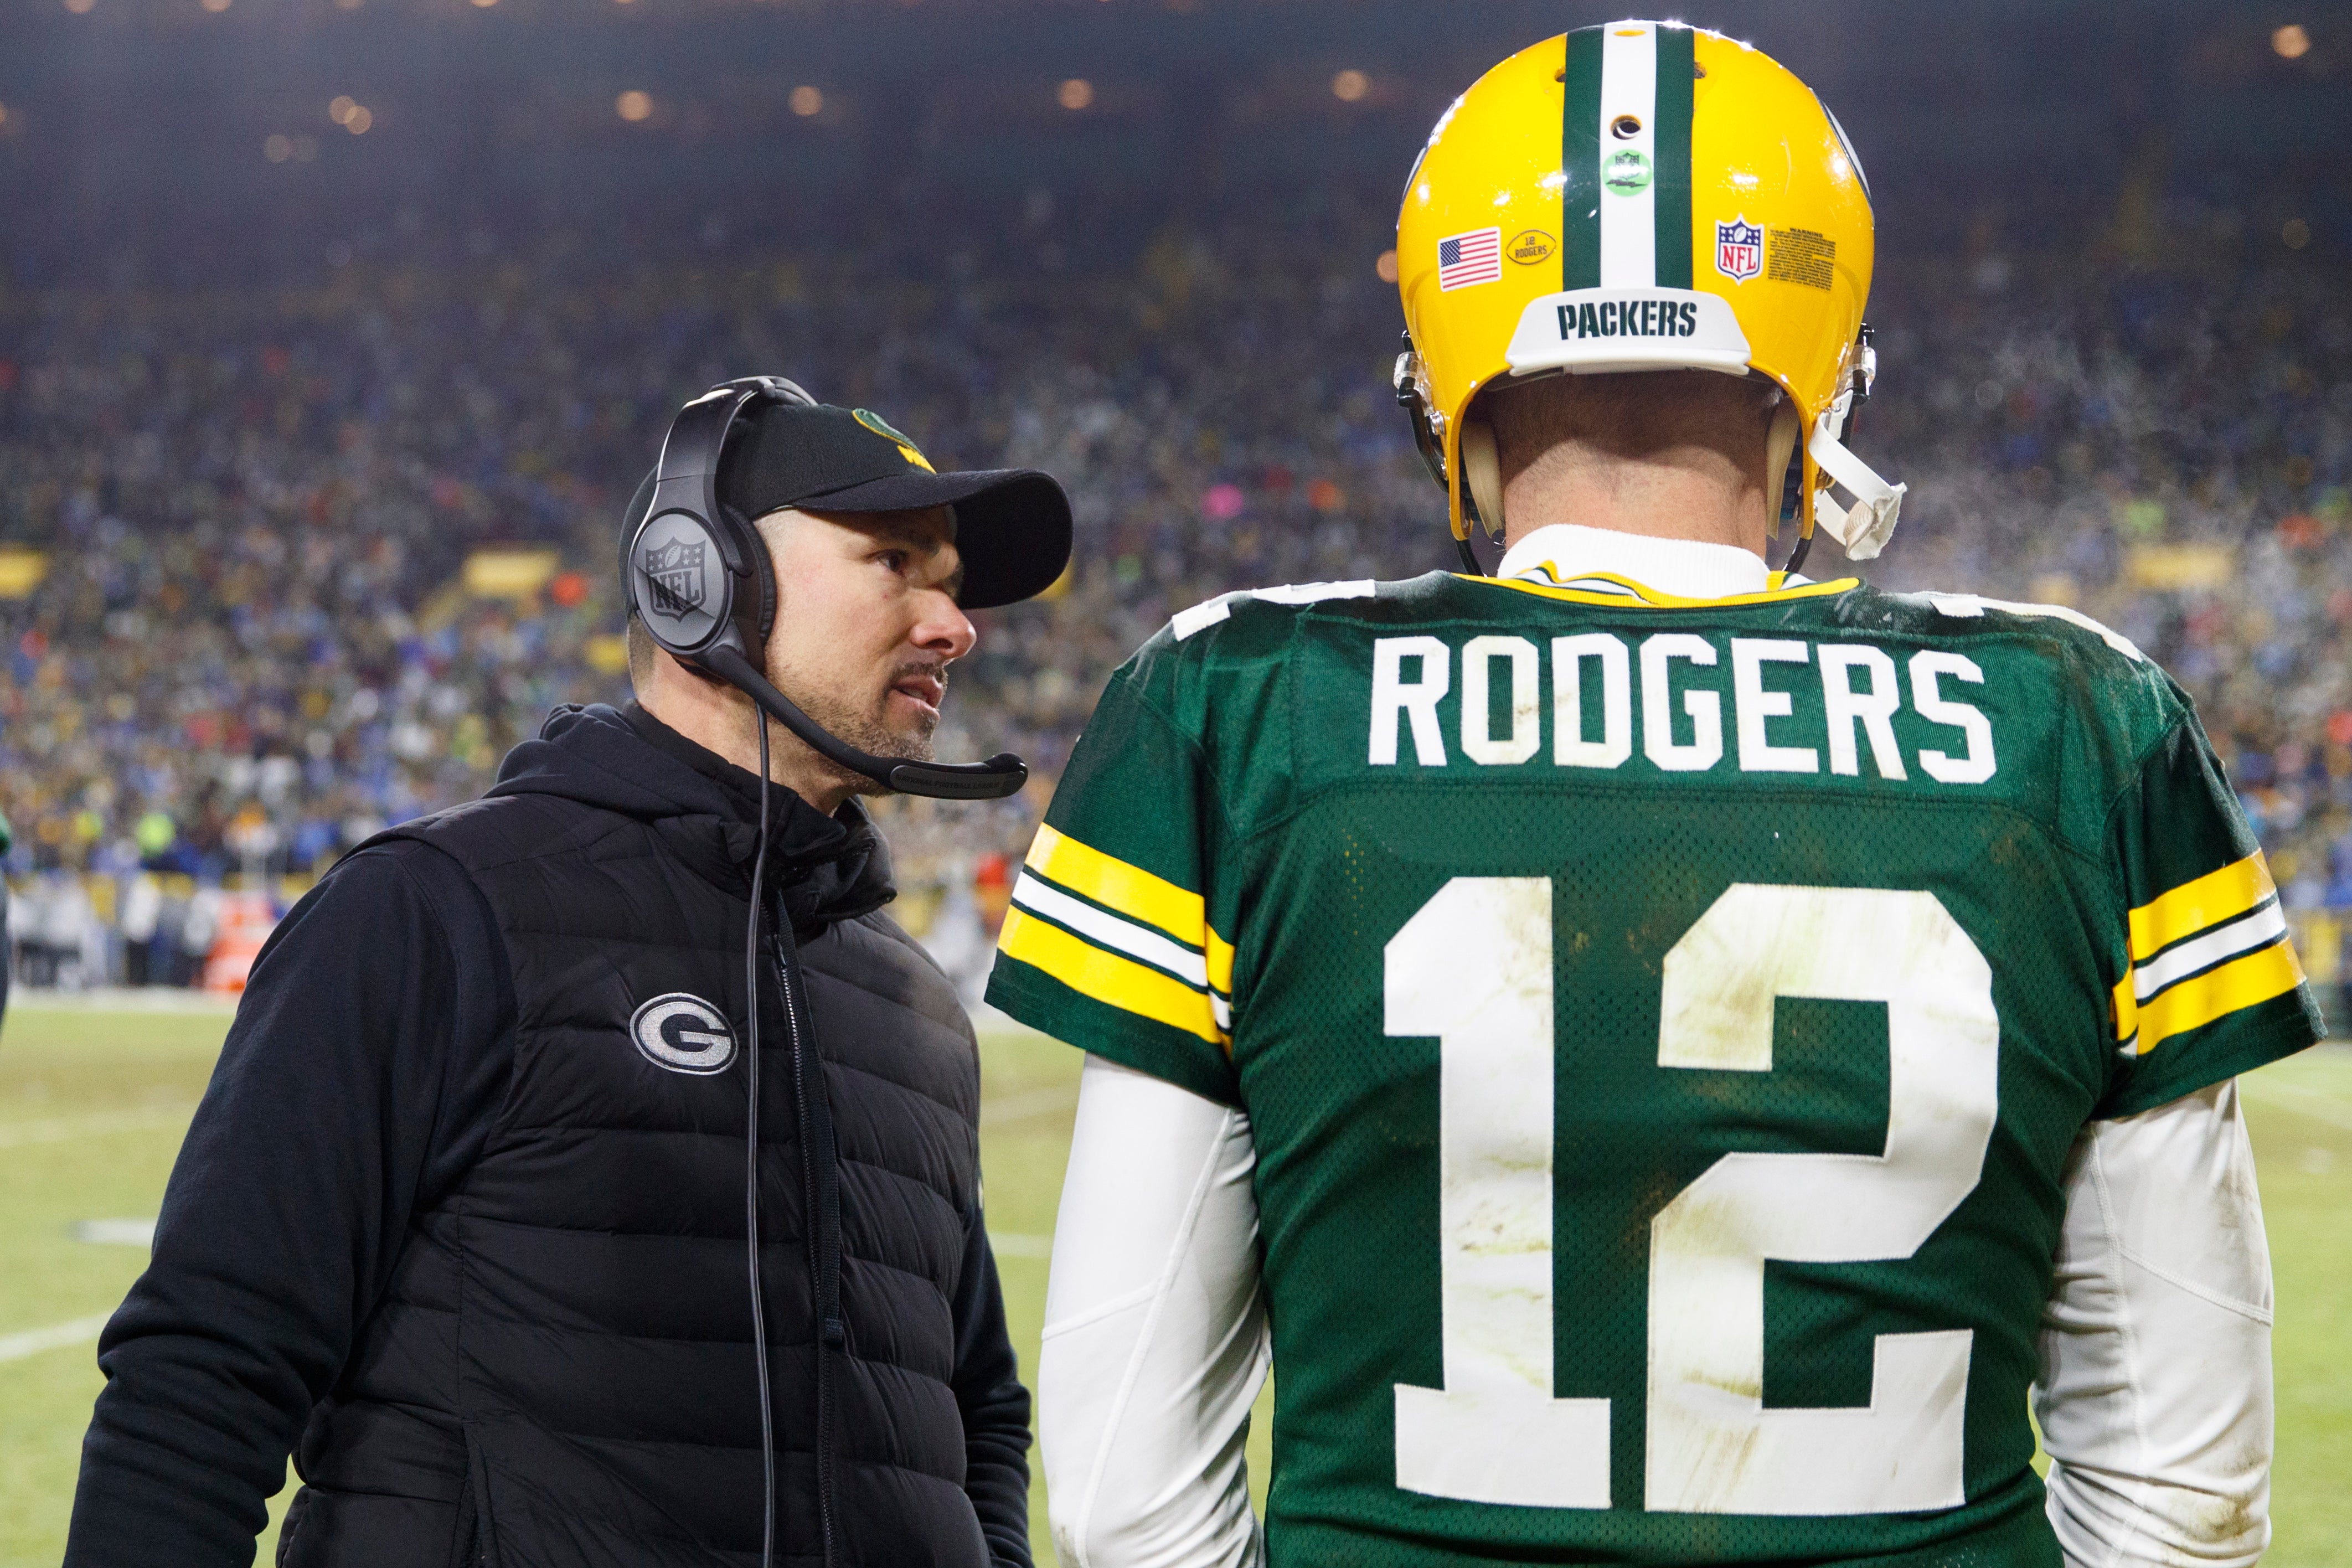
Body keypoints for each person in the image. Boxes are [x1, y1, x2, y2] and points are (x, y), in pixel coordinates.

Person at [988, 22, 2320, 1568]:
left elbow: (1121, 1496)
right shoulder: (2083, 725)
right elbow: (2183, 1500)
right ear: (1824, 377)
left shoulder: (1242, 703)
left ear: (1446, 385)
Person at [66, 389, 1071, 1568]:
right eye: (897, 563)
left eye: (952, 583)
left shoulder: (911, 1008)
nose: (955, 624)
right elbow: (204, 1378)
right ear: (697, 580)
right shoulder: (434, 912)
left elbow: (975, 1415)